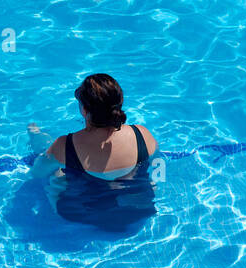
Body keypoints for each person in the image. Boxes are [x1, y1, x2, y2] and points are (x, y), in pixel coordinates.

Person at [29, 73, 159, 230]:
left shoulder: (64, 145)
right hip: (137, 211)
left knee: (54, 171)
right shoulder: (142, 135)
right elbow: (158, 166)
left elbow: (37, 173)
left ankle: (35, 133)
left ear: (84, 110)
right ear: (120, 103)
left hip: (83, 214)